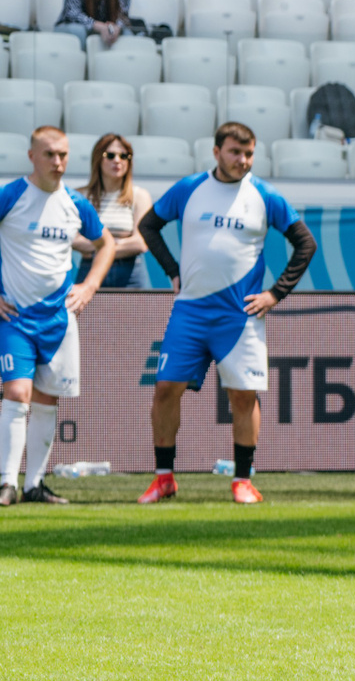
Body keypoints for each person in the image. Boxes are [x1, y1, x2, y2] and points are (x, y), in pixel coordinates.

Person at [135, 124, 317, 505]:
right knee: (165, 389)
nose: (243, 160)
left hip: (240, 315)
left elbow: (306, 243)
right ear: (216, 152)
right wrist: (172, 271)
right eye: (235, 152)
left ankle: (243, 481)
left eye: (249, 153)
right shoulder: (189, 188)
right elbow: (148, 226)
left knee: (243, 396)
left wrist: (275, 294)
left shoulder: (265, 195)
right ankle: (164, 478)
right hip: (189, 311)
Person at [0, 128, 113, 505]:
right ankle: (6, 482)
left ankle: (34, 485)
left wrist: (90, 285)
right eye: (49, 154)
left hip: (59, 320)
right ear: (31, 156)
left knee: (48, 400)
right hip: (14, 317)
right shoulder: (11, 195)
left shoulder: (75, 203)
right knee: (17, 392)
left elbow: (106, 244)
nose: (58, 162)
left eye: (63, 154)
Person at [78, 133, 151, 289]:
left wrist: (101, 247)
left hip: (131, 273)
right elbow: (74, 240)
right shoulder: (81, 196)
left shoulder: (140, 196)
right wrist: (122, 244)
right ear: (98, 158)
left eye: (124, 156)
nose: (117, 160)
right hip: (90, 269)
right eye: (110, 155)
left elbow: (141, 243)